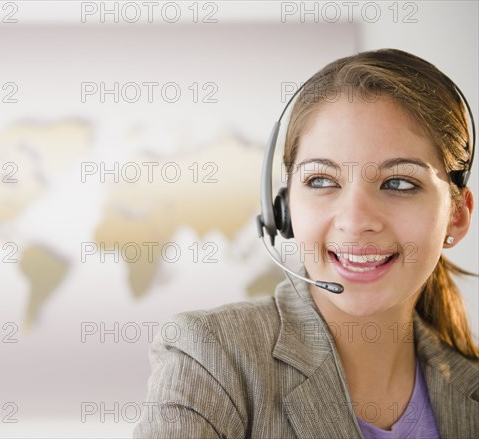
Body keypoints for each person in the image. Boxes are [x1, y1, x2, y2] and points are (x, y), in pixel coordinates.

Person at [134, 49, 478, 438]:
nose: (356, 221)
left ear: (457, 214)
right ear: (282, 210)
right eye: (322, 181)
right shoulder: (213, 357)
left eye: (398, 183)